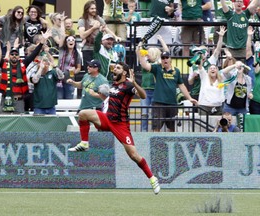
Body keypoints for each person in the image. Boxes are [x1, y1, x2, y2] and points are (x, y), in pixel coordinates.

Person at [68, 62, 161, 195]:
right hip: (107, 119)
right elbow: (108, 99)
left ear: (124, 73)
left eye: (118, 68)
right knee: (83, 114)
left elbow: (143, 96)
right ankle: (84, 143)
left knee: (134, 155)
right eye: (114, 67)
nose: (114, 70)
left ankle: (152, 178)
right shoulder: (114, 85)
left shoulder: (129, 86)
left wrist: (134, 83)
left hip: (120, 124)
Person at [138, 49, 197, 132]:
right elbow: (144, 65)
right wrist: (141, 55)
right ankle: (155, 144)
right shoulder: (157, 68)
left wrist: (189, 98)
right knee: (156, 128)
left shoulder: (176, 71)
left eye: (166, 57)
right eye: (163, 58)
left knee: (172, 128)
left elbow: (182, 85)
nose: (165, 59)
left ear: (170, 59)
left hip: (172, 103)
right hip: (158, 103)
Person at [0, 30, 51, 114]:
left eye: (16, 54)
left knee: (19, 124)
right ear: (9, 56)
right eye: (12, 54)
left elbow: (34, 53)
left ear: (19, 56)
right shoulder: (4, 64)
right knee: (3, 122)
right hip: (6, 99)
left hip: (19, 101)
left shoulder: (24, 64)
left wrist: (42, 42)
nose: (14, 56)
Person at [188, 26, 226, 101]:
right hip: (196, 93)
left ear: (206, 53)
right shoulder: (193, 65)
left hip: (209, 92)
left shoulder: (210, 61)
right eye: (199, 52)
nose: (201, 54)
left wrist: (221, 37)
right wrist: (193, 76)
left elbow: (217, 50)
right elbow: (190, 82)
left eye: (203, 52)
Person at [78, 0, 116, 72]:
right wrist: (93, 28)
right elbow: (82, 36)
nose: (94, 10)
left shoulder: (98, 18)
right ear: (87, 9)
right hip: (88, 49)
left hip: (98, 49)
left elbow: (106, 28)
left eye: (95, 8)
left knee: (99, 70)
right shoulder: (82, 20)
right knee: (89, 71)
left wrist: (115, 36)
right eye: (92, 9)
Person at [57, 35, 82, 99]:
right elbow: (61, 35)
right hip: (59, 80)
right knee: (59, 100)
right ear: (66, 42)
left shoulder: (77, 54)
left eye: (73, 40)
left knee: (69, 100)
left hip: (70, 80)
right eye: (69, 40)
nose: (71, 41)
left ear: (75, 43)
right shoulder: (61, 50)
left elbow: (79, 68)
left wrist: (75, 71)